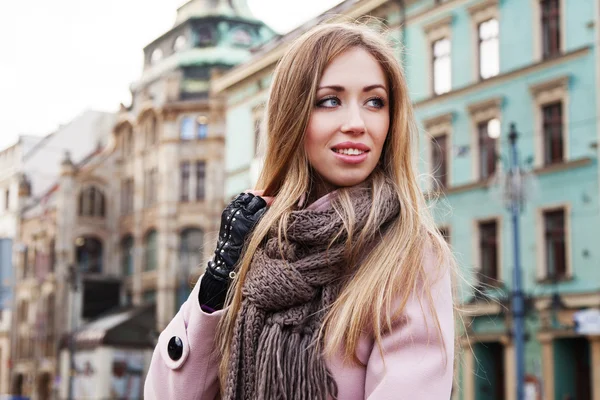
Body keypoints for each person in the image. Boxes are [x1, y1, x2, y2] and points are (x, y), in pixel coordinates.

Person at [144, 21, 455, 400]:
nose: (357, 124)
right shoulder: (258, 244)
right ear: (291, 117)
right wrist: (221, 275)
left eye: (375, 102)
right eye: (330, 101)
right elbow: (169, 392)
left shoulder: (409, 253)